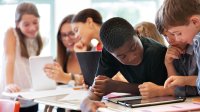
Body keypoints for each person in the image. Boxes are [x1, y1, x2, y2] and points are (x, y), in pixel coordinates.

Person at [80, 17, 168, 112]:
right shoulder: (109, 53)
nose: (132, 57)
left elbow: (157, 90)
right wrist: (87, 102)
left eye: (133, 48)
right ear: (111, 54)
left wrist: (117, 86)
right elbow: (97, 89)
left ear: (137, 34)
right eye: (122, 57)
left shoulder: (157, 52)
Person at [139, 5, 198, 99]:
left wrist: (162, 91)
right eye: (165, 36)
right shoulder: (174, 51)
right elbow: (174, 85)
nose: (170, 40)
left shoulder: (196, 45)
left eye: (173, 33)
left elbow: (195, 88)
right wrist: (168, 63)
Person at [1, 2, 43, 112]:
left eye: (35, 22)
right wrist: (9, 83)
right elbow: (9, 59)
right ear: (17, 23)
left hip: (30, 92)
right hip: (13, 92)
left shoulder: (38, 39)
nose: (32, 28)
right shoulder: (11, 33)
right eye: (26, 24)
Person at [71, 8, 127, 82]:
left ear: (89, 22)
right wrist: (83, 55)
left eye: (76, 30)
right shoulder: (95, 48)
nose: (76, 36)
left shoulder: (117, 40)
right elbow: (92, 78)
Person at [43, 14, 83, 112]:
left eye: (72, 33)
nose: (67, 39)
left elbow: (89, 82)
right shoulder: (60, 59)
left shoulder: (94, 53)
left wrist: (65, 77)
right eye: (63, 35)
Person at [159, 0, 200, 94]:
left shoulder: (198, 39)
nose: (177, 39)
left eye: (178, 33)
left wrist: (185, 80)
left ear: (195, 22)